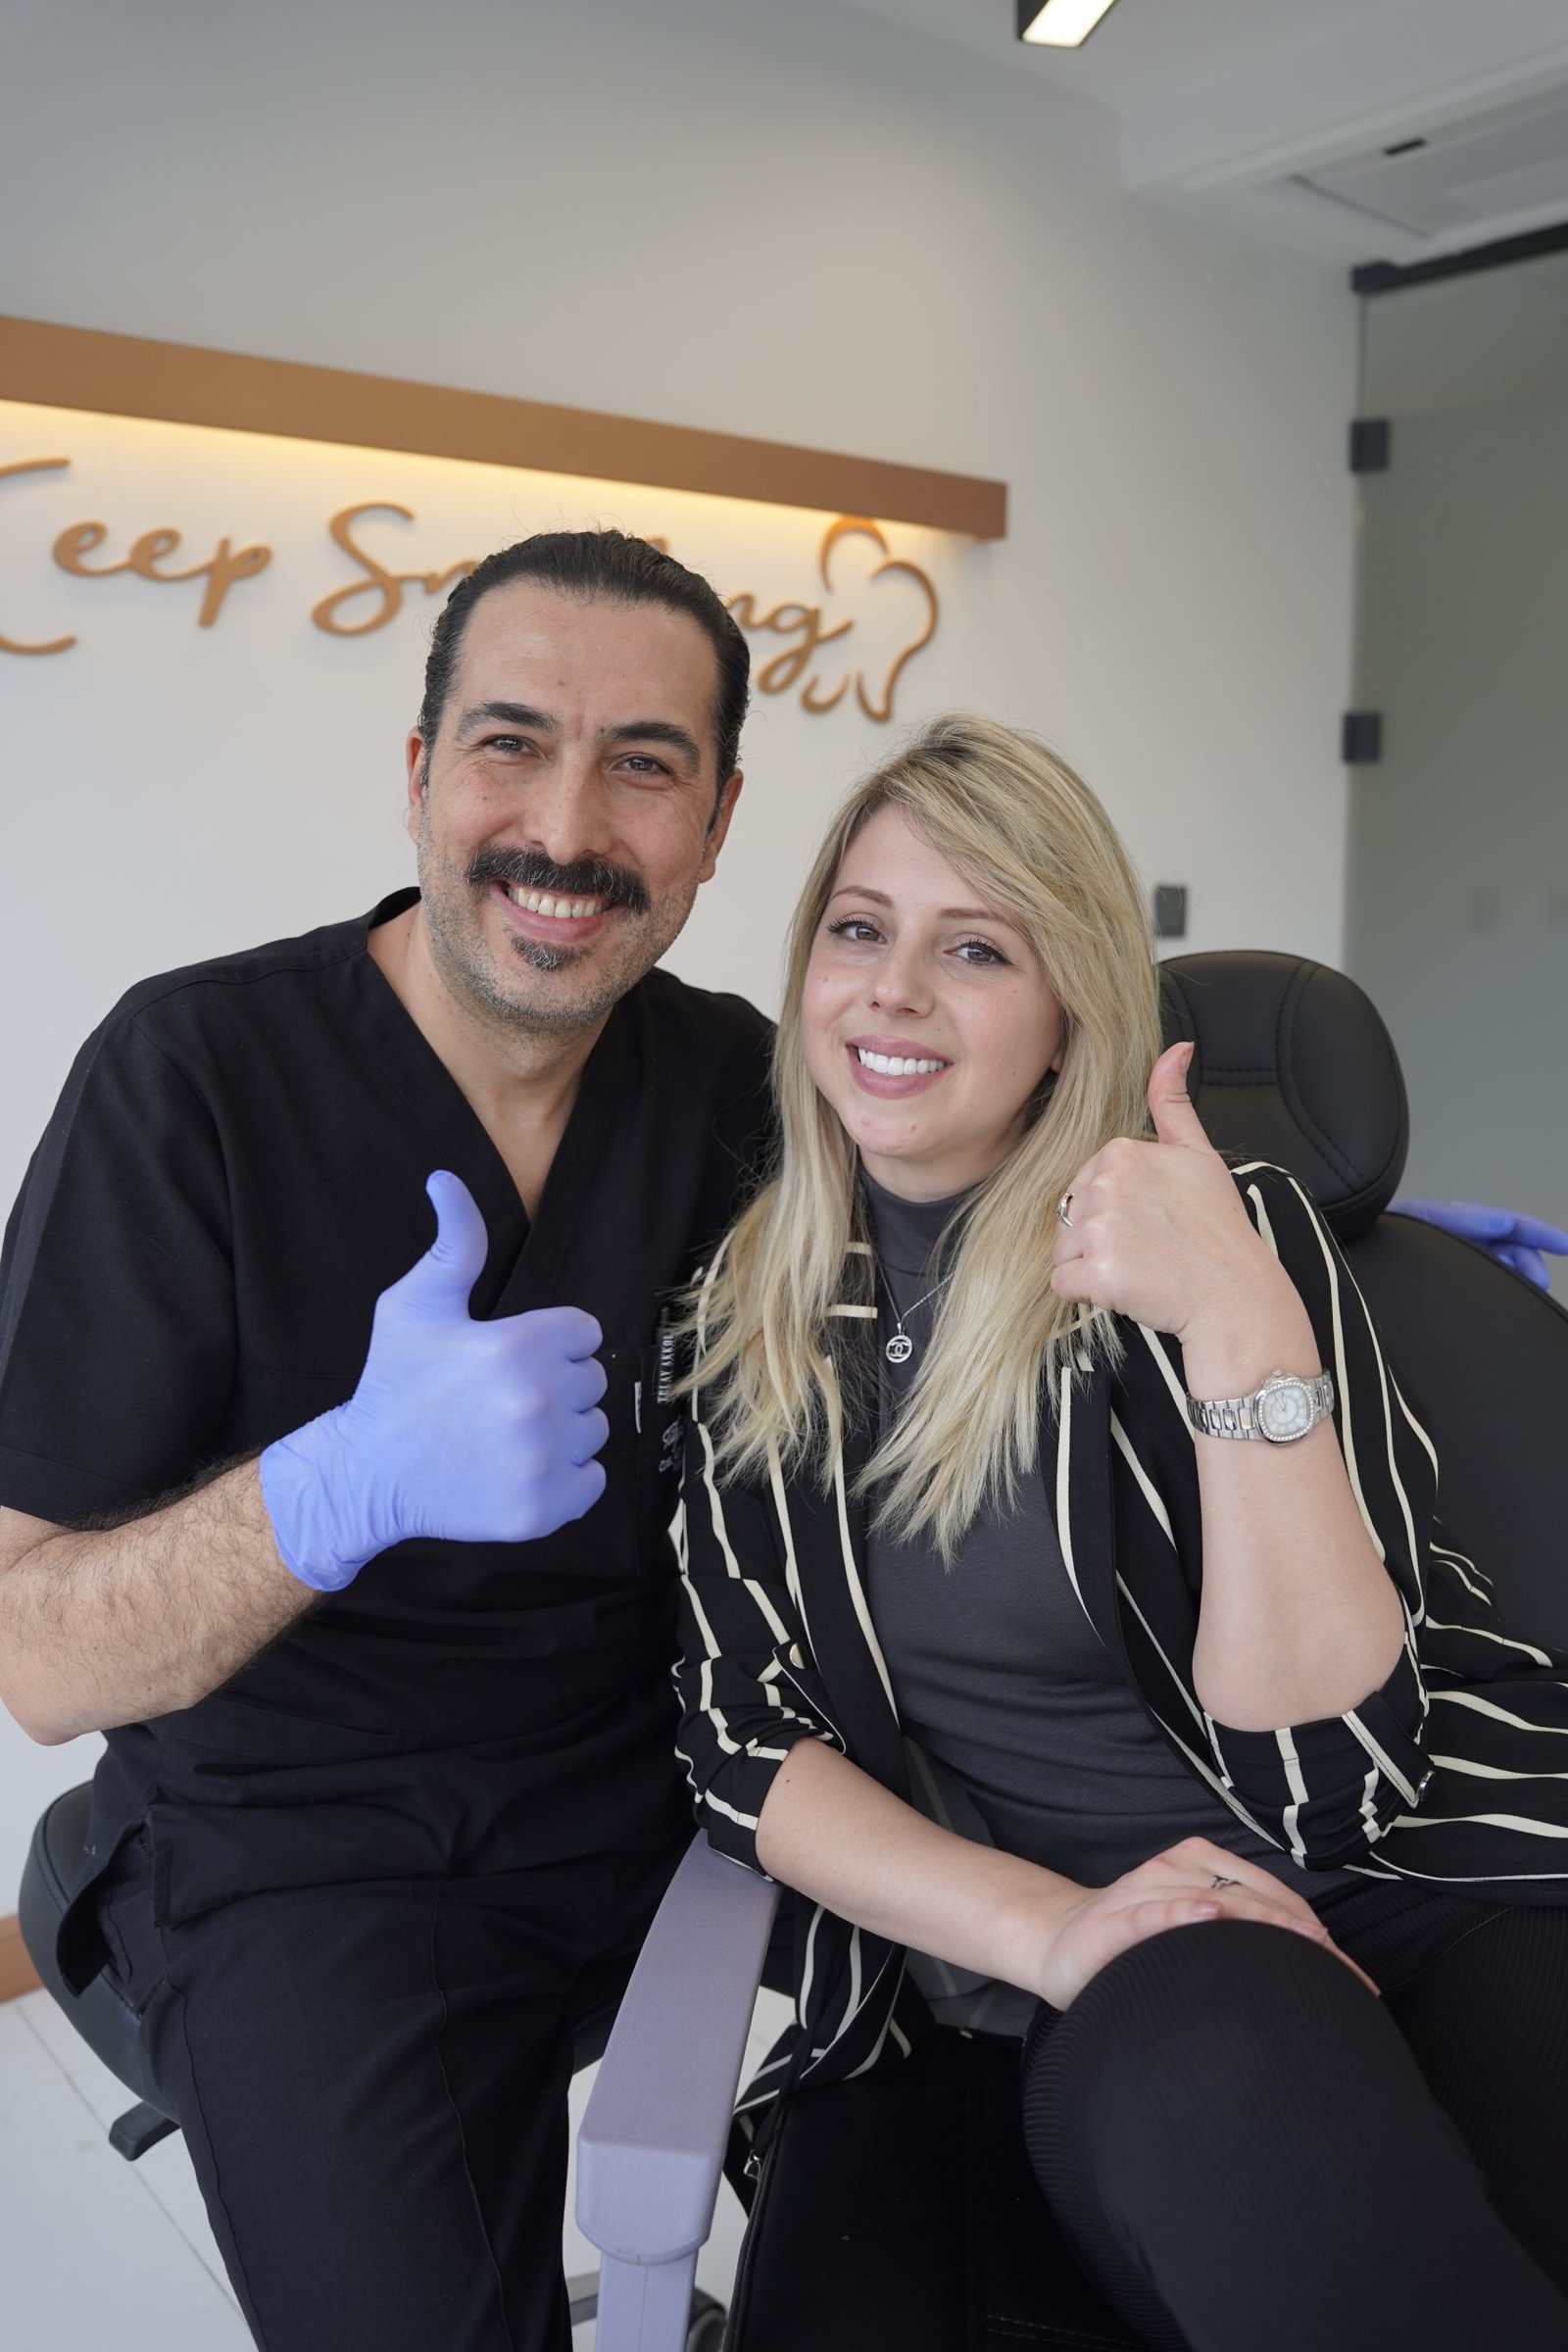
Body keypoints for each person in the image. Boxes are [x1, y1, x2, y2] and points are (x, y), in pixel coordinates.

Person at [675, 713, 1568, 2352]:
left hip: (1453, 1866)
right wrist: (1055, 1927)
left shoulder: (1230, 1239)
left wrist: (1236, 1329)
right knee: (1256, 2095)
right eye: (859, 931)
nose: (893, 992)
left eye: (976, 949)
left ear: (1068, 1010)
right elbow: (743, 1742)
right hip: (1156, 1955)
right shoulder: (750, 1326)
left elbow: (1333, 1784)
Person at [0, 530, 774, 2352]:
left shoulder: (738, 1090)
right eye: (511, 744)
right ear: (420, 771)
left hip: (668, 1801)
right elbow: (32, 1656)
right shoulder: (192, 1077)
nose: (566, 829)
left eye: (642, 764)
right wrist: (328, 1485)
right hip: (306, 1857)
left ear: (717, 821)